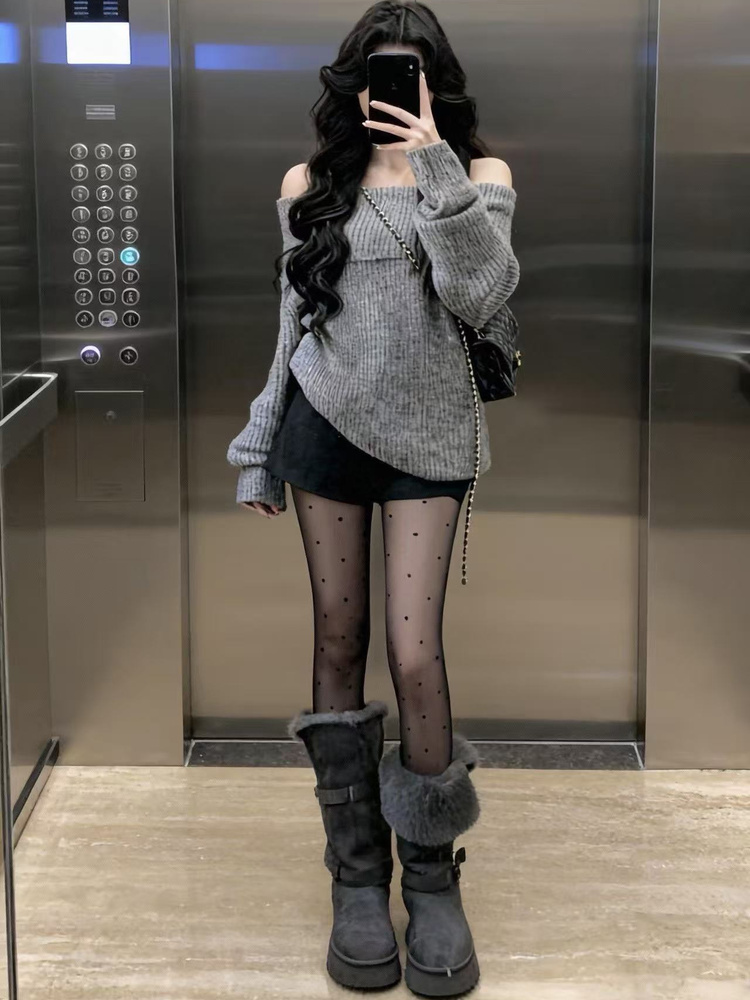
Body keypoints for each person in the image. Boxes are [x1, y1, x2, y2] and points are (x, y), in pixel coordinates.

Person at [226, 1, 519, 994]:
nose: (391, 91)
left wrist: (432, 159)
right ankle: (358, 879)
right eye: (377, 74)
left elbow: (482, 294)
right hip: (324, 426)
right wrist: (260, 443)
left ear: (436, 83)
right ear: (351, 84)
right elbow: (292, 325)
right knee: (338, 639)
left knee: (414, 650)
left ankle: (432, 878)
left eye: (411, 73)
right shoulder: (309, 186)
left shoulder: (479, 176)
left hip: (431, 438)